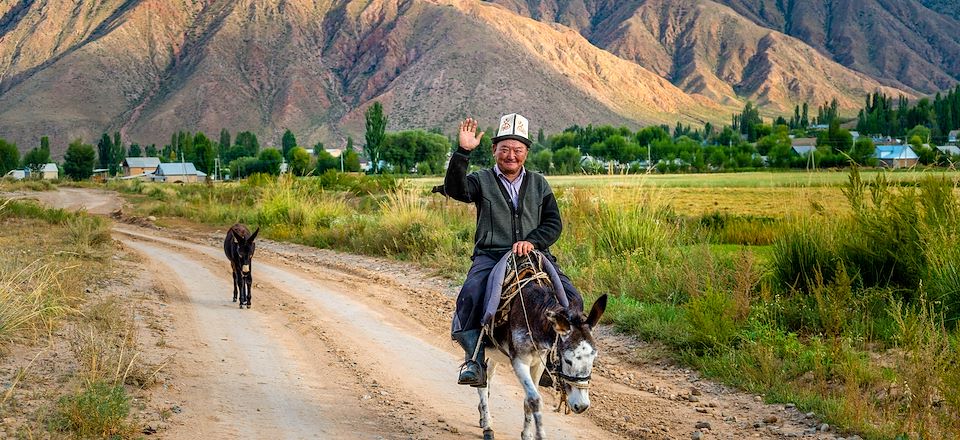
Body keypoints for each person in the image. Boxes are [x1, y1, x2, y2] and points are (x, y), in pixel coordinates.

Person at [443, 113, 583, 387]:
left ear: (526, 153)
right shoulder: (481, 180)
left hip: (534, 255)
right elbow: (455, 189)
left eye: (518, 150)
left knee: (572, 299)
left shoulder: (539, 183)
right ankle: (475, 360)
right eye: (505, 148)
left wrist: (533, 240)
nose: (511, 155)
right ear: (494, 149)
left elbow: (553, 222)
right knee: (470, 295)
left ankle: (554, 360)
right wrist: (463, 152)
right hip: (492, 255)